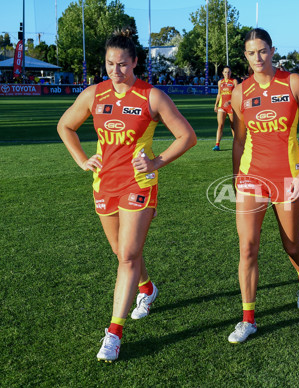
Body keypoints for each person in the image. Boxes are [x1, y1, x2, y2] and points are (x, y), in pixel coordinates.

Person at [57, 28, 197, 362]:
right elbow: (65, 126)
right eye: (110, 64)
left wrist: (156, 161)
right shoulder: (94, 95)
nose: (116, 70)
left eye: (122, 64)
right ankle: (147, 289)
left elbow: (186, 136)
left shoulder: (152, 96)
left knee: (128, 256)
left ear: (135, 62)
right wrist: (81, 159)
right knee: (122, 252)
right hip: (103, 184)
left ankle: (113, 334)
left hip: (139, 185)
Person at [229, 28, 299, 344]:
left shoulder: (293, 82)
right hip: (252, 176)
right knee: (247, 247)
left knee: (291, 245)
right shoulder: (240, 92)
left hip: (287, 176)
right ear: (246, 56)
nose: (257, 58)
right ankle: (248, 318)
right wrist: (237, 178)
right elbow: (239, 140)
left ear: (272, 50)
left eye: (262, 51)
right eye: (251, 53)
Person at [213, 66, 238, 151]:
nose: (227, 74)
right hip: (222, 106)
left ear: (231, 73)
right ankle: (217, 145)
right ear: (222, 73)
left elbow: (237, 94)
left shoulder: (234, 81)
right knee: (220, 125)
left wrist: (230, 101)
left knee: (233, 126)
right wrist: (215, 104)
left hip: (232, 106)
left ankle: (237, 144)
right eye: (225, 72)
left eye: (229, 72)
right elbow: (219, 94)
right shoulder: (220, 82)